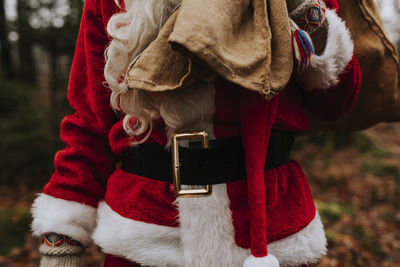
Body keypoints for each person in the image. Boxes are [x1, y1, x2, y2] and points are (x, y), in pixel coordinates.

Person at [31, 0, 361, 266]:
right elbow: (90, 122)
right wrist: (63, 238)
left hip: (272, 233)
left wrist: (304, 14)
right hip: (148, 236)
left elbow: (336, 103)